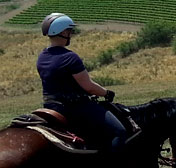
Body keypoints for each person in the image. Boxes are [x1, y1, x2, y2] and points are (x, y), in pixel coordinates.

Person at [36, 12, 128, 153]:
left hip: (50, 107)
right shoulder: (69, 57)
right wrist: (106, 93)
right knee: (120, 132)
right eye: (69, 31)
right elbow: (89, 87)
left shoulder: (42, 56)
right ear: (63, 32)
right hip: (74, 108)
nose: (71, 34)